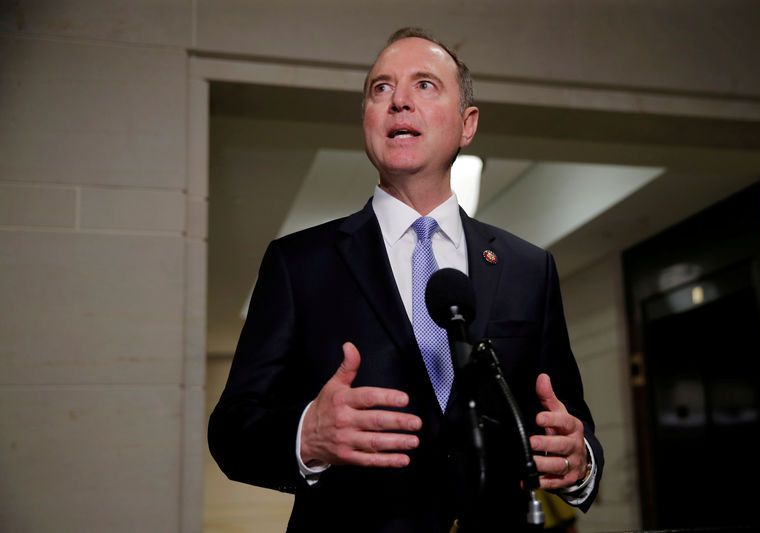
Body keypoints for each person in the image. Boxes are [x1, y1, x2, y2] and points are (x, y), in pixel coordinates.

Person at [209, 27, 603, 533]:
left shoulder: (530, 268)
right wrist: (309, 435)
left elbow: (572, 422)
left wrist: (581, 461)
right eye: (381, 88)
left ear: (467, 124)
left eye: (424, 85)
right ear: (367, 121)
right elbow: (233, 431)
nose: (398, 101)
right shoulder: (298, 263)